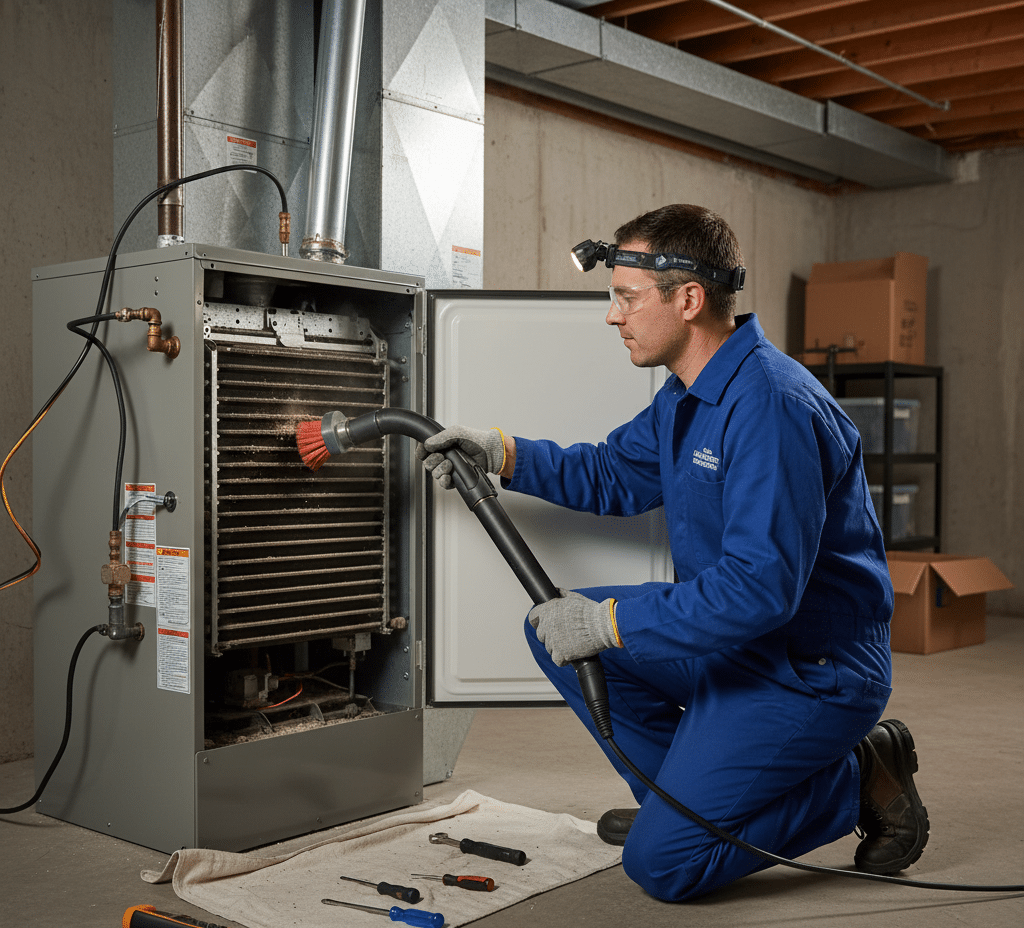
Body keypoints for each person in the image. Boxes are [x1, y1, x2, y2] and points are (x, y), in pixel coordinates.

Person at [417, 204, 929, 901]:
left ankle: (860, 778)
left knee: (664, 867)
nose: (612, 316)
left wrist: (614, 622)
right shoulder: (688, 395)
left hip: (810, 671)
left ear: (687, 299)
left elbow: (759, 590)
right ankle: (681, 808)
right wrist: (501, 451)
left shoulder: (769, 407)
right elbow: (609, 473)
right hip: (738, 646)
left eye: (625, 298)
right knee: (557, 632)